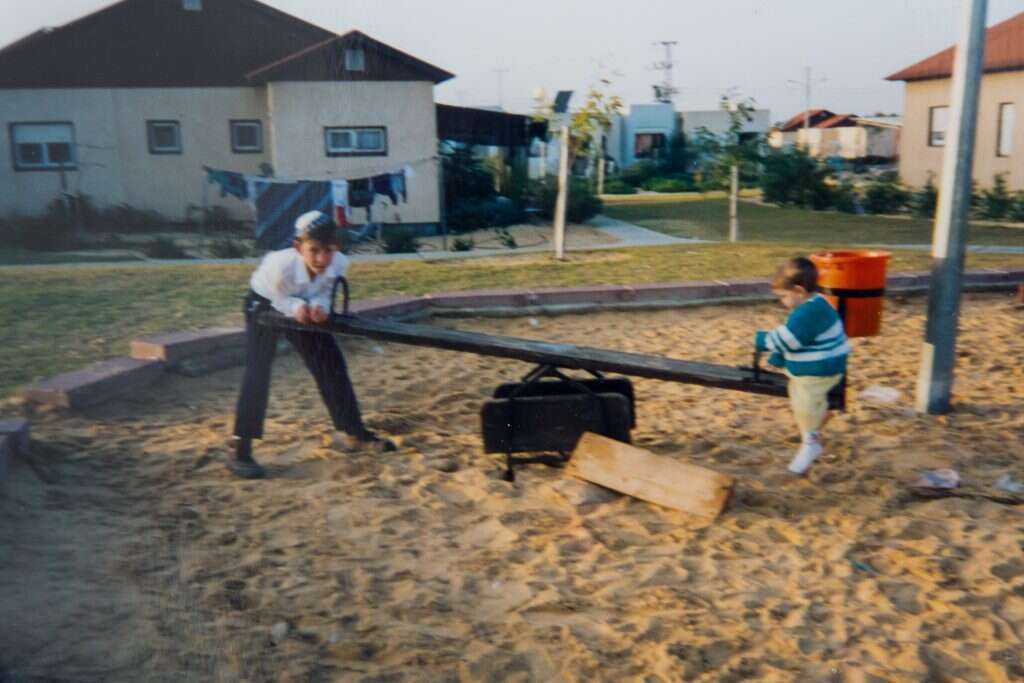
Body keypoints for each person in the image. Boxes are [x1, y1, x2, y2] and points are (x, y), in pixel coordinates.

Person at [230, 210, 395, 479]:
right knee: (258, 370)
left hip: (303, 303)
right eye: (314, 250)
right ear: (298, 248)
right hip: (265, 302)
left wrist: (320, 308)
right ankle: (241, 447)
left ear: (337, 247)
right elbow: (280, 299)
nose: (321, 259)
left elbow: (323, 293)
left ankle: (355, 432)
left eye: (328, 250)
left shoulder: (339, 263)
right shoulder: (279, 266)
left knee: (329, 361)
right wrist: (298, 307)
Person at [755, 256, 850, 475]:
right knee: (798, 392)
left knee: (804, 402)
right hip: (825, 360)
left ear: (798, 290)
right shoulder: (815, 303)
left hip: (822, 370)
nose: (781, 301)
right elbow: (796, 337)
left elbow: (787, 339)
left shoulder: (807, 313)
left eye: (783, 296)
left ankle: (811, 442)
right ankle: (819, 418)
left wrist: (762, 339)